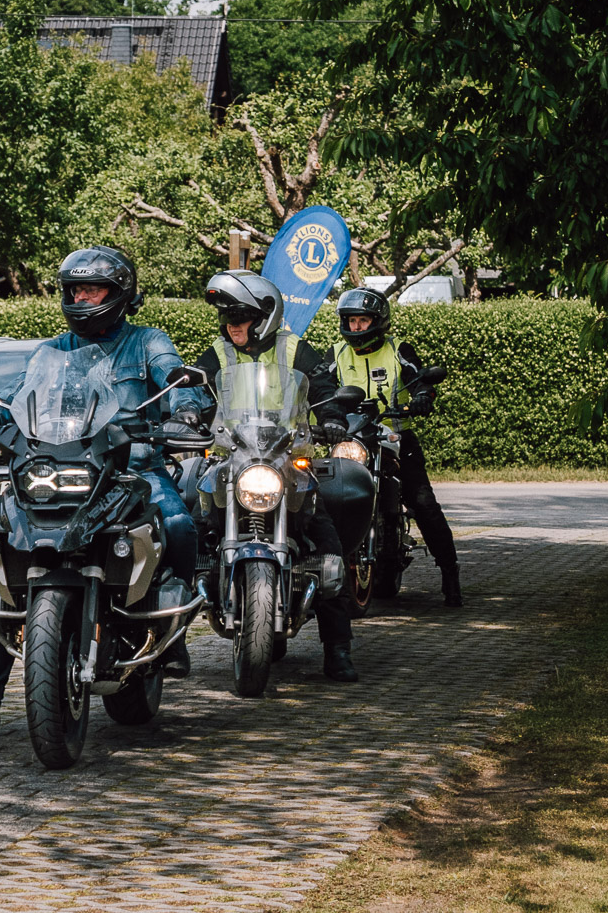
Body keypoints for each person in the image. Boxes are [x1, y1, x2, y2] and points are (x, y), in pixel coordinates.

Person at [0, 245, 204, 740]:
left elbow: (174, 376)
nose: (81, 298)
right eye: (75, 290)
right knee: (9, 565)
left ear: (120, 294)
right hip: (63, 469)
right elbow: (19, 394)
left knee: (180, 524)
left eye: (92, 290)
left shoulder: (147, 341)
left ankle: (172, 633)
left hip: (133, 470)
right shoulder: (52, 351)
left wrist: (185, 407)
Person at [192, 270, 356, 681]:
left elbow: (324, 388)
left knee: (329, 546)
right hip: (230, 461)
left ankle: (338, 649)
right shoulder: (218, 354)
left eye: (240, 317)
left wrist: (333, 418)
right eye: (226, 317)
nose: (231, 325)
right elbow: (191, 389)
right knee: (185, 535)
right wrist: (185, 411)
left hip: (288, 461)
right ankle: (168, 647)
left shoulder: (294, 349)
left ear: (265, 317)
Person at [331, 288, 463, 606]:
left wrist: (422, 396)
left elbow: (419, 378)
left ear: (378, 321)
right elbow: (317, 386)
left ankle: (450, 572)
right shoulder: (336, 354)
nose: (357, 327)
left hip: (396, 438)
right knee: (327, 499)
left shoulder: (397, 349)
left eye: (363, 320)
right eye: (351, 320)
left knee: (424, 503)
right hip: (353, 440)